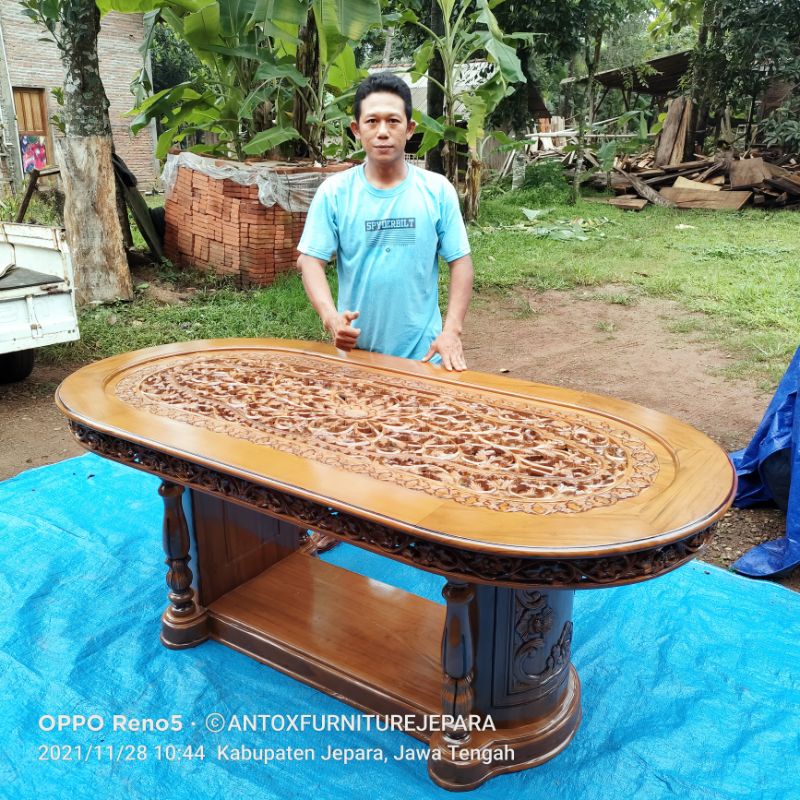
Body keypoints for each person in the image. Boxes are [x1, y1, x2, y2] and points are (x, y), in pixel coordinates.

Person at [296, 71, 474, 372]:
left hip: (426, 354)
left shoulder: (437, 190)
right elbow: (310, 261)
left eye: (393, 121)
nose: (382, 131)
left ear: (409, 129)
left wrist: (451, 331)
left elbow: (461, 262)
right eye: (372, 121)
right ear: (356, 129)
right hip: (357, 355)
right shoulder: (335, 193)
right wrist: (331, 317)